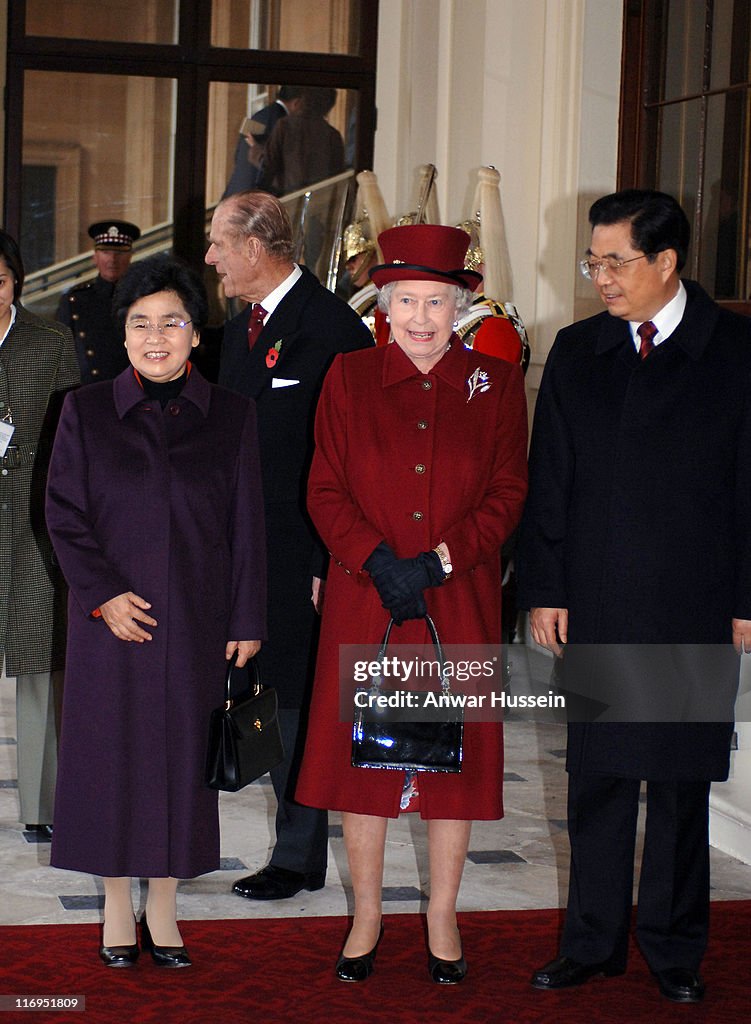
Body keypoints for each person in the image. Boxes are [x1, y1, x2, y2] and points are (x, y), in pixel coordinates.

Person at [517, 189, 751, 1004]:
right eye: (593, 261)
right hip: (601, 595)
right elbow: (548, 479)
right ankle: (590, 941)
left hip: (696, 596)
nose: (601, 278)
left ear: (665, 262)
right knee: (599, 779)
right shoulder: (578, 350)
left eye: (616, 262)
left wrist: (748, 598)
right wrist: (544, 584)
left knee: (683, 785)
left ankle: (675, 946)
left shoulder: (736, 351)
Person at [295, 224, 529, 983]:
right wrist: (372, 558)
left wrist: (438, 560)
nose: (421, 317)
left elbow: (507, 492)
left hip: (453, 601)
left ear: (461, 304)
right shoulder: (348, 377)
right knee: (363, 763)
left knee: (451, 765)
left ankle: (441, 917)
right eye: (406, 301)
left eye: (436, 301)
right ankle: (366, 916)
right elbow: (323, 488)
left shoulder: (493, 386)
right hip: (368, 598)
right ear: (383, 305)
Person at [46, 254, 266, 968]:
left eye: (171, 322)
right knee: (108, 760)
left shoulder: (231, 416)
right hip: (107, 623)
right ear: (124, 335)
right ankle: (115, 905)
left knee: (179, 763)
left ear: (195, 333)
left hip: (195, 623)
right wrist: (103, 594)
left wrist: (246, 618)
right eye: (140, 324)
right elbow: (62, 514)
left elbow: (247, 525)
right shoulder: (83, 410)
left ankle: (164, 907)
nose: (156, 337)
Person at [206, 190, 373, 901]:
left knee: (296, 700)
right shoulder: (238, 327)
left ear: (255, 247)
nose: (210, 257)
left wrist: (322, 563)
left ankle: (298, 855)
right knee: (262, 695)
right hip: (242, 550)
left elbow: (354, 459)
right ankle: (295, 845)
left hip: (303, 557)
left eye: (218, 243)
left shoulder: (333, 330)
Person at [0, 230, 79, 837]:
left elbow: (72, 439)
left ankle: (42, 809)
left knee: (38, 663)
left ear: (16, 281)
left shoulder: (49, 341)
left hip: (31, 519)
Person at [56, 220, 141, 384]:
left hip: (134, 388)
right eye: (106, 252)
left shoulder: (142, 298)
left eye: (120, 252)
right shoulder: (75, 300)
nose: (112, 259)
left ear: (130, 256)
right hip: (88, 390)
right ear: (95, 257)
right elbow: (63, 356)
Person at [258, 86, 345, 196]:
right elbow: (338, 177)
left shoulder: (285, 126)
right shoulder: (333, 135)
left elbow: (268, 167)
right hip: (321, 200)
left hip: (289, 197)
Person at [222, 86, 304, 200]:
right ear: (297, 103)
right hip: (255, 195)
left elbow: (238, 153)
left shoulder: (258, 115)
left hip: (236, 190)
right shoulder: (284, 123)